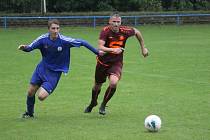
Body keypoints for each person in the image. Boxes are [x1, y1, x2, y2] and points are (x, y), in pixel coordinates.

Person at [18, 19, 103, 118]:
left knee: (41, 96)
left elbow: (83, 42)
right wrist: (24, 48)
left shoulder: (64, 41)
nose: (56, 31)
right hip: (41, 69)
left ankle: (43, 88)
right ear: (48, 29)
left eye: (57, 28)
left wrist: (97, 52)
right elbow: (30, 48)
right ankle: (29, 113)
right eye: (53, 28)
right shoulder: (42, 39)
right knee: (30, 92)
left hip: (54, 74)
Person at [84, 12, 149, 115]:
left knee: (113, 82)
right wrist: (113, 50)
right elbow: (100, 47)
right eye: (114, 22)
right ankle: (93, 102)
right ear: (109, 22)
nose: (116, 24)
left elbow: (137, 32)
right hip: (102, 62)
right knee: (97, 85)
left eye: (118, 22)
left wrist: (143, 47)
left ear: (120, 22)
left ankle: (103, 105)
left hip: (116, 63)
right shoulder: (105, 31)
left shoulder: (125, 31)